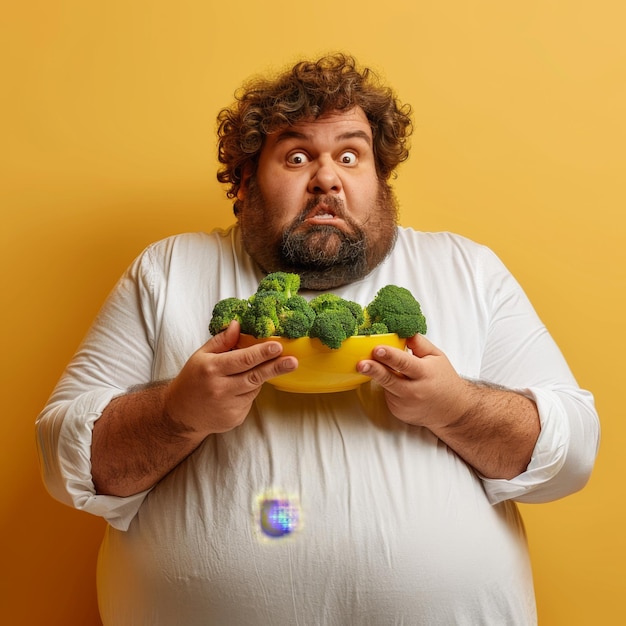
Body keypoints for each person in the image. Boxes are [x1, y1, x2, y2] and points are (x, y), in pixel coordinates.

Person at [36, 53, 599, 625]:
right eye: (297, 155)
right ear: (245, 182)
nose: (326, 177)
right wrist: (178, 413)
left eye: (351, 155)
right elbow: (63, 464)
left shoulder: (467, 269)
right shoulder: (169, 269)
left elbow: (573, 452)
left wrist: (457, 409)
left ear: (380, 180)